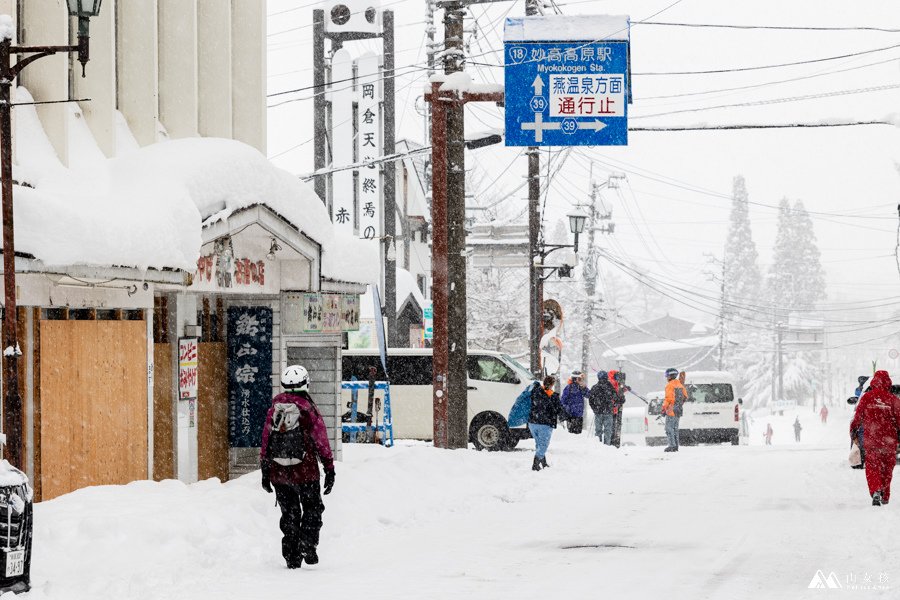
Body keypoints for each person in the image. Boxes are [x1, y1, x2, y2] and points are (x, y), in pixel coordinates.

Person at [260, 365, 336, 569]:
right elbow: (321, 441)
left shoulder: (274, 409)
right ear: (306, 383)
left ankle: (291, 555)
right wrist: (329, 468)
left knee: (289, 513)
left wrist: (265, 470)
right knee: (312, 508)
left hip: (279, 472)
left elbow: (266, 440)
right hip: (306, 471)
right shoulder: (308, 409)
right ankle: (307, 544)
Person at [849, 370, 899, 506]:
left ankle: (876, 490)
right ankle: (885, 495)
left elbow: (857, 418)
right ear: (888, 382)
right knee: (887, 468)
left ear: (874, 382)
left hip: (871, 440)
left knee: (873, 467)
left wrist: (853, 432)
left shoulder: (866, 398)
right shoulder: (893, 400)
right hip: (889, 441)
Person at [528, 375, 564, 471]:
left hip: (532, 422)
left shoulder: (535, 392)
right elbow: (559, 409)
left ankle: (543, 463)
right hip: (545, 424)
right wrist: (567, 417)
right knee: (543, 445)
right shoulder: (552, 396)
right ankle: (535, 465)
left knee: (539, 443)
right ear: (552, 384)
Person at [661, 367, 687, 452]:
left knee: (668, 428)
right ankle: (676, 446)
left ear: (670, 376)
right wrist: (679, 404)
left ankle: (672, 445)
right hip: (678, 410)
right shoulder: (680, 384)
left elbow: (668, 399)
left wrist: (664, 409)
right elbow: (685, 397)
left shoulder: (670, 385)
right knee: (675, 428)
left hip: (671, 410)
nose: (666, 377)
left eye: (667, 375)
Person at [588, 370, 617, 445]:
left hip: (598, 412)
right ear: (607, 377)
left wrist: (594, 409)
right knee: (608, 431)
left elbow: (591, 400)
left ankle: (598, 445)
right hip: (608, 412)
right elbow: (616, 398)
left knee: (598, 431)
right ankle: (607, 445)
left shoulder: (594, 387)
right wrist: (613, 406)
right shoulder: (610, 387)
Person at [608, 370, 628, 448]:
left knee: (613, 426)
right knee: (613, 426)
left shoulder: (614, 382)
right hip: (613, 408)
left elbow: (619, 390)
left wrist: (624, 389)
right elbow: (617, 392)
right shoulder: (612, 382)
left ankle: (613, 442)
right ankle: (613, 442)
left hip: (614, 407)